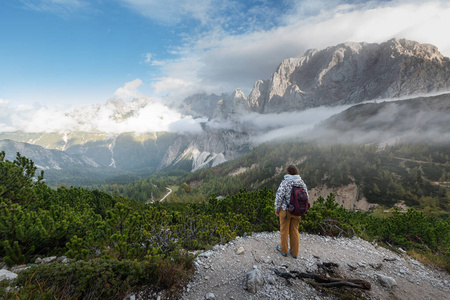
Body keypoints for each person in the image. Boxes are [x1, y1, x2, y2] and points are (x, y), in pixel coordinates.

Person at [274, 164, 309, 259]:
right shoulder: (301, 182)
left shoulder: (285, 182)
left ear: (288, 172)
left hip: (286, 211)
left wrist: (277, 209)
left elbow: (279, 197)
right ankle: (294, 252)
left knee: (284, 231)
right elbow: (307, 197)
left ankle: (283, 250)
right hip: (298, 211)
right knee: (294, 230)